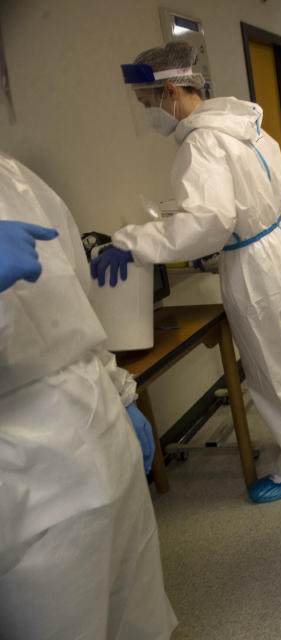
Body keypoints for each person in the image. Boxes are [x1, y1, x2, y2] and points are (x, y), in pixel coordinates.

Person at [91, 41, 281, 503]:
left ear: (170, 92)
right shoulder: (246, 127)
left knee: (268, 364)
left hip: (253, 264)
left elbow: (209, 224)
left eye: (147, 102)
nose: (148, 113)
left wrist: (133, 243)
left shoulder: (202, 143)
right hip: (280, 241)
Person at [0, 152, 177, 638]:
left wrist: (122, 396)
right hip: (26, 476)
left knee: (136, 603)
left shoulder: (16, 178)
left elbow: (80, 302)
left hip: (98, 423)